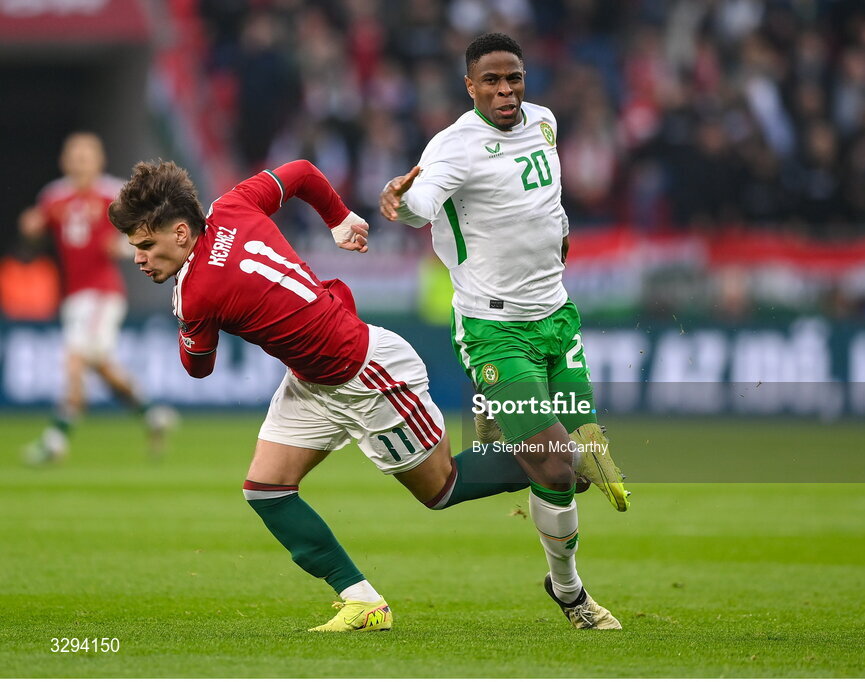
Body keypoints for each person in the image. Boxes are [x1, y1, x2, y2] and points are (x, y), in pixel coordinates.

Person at [108, 158, 613, 632]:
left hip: (368, 378)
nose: (138, 258)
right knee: (266, 488)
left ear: (180, 232)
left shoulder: (197, 293)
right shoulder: (233, 205)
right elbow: (302, 173)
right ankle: (362, 600)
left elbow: (198, 368)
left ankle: (556, 455)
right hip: (313, 377)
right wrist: (340, 218)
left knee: (442, 489)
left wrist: (183, 313)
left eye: (146, 246)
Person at [380, 32, 627, 629]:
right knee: (560, 466)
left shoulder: (544, 122)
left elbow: (548, 200)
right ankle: (569, 593)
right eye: (490, 80)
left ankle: (502, 430)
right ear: (470, 86)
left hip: (557, 318)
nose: (505, 90)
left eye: (513, 77)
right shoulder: (454, 147)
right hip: (495, 329)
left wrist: (559, 234)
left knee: (572, 461)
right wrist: (402, 203)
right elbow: (426, 201)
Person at [20, 133, 176, 465]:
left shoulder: (114, 194)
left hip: (103, 293)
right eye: (74, 155)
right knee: (100, 364)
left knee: (75, 359)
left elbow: (144, 233)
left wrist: (122, 247)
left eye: (86, 155)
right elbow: (38, 225)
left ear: (99, 159)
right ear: (64, 160)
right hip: (74, 295)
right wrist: (30, 226)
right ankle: (151, 413)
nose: (79, 161)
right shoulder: (54, 196)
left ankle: (56, 439)